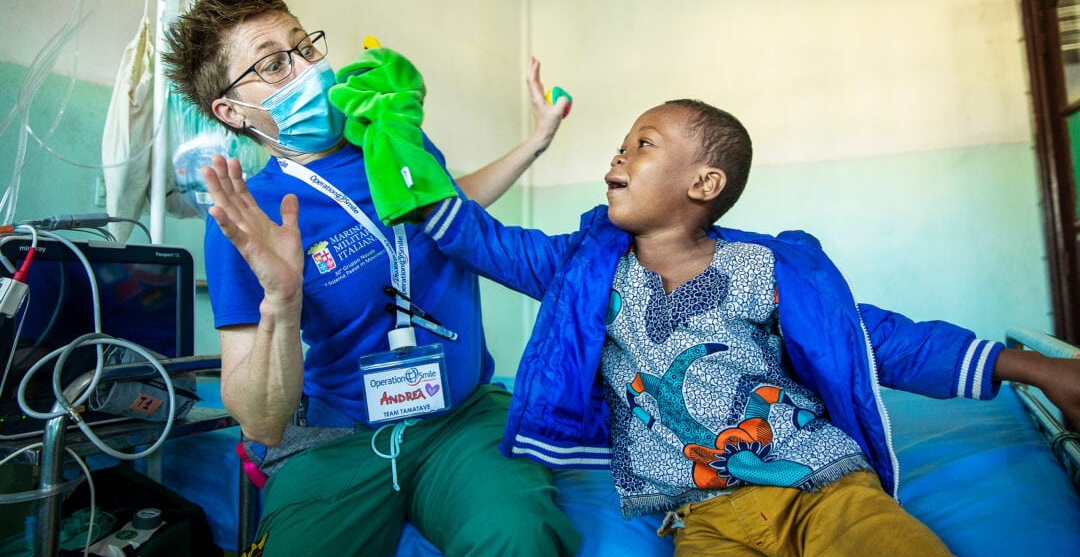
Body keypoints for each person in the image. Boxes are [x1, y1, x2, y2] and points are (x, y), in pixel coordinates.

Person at [416, 97, 1080, 556]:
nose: (616, 158)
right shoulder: (580, 269)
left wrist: (1038, 368)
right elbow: (478, 238)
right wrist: (393, 145)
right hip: (701, 519)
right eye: (619, 147)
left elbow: (877, 340)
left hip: (822, 485)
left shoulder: (763, 268)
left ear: (703, 183)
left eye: (641, 146)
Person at [161, 0, 580, 557]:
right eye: (275, 65)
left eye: (305, 46)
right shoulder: (243, 217)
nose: (308, 69)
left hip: (460, 420)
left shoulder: (391, 140)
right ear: (232, 111)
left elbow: (449, 211)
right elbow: (259, 422)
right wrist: (282, 300)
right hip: (341, 439)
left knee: (522, 538)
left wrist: (535, 141)